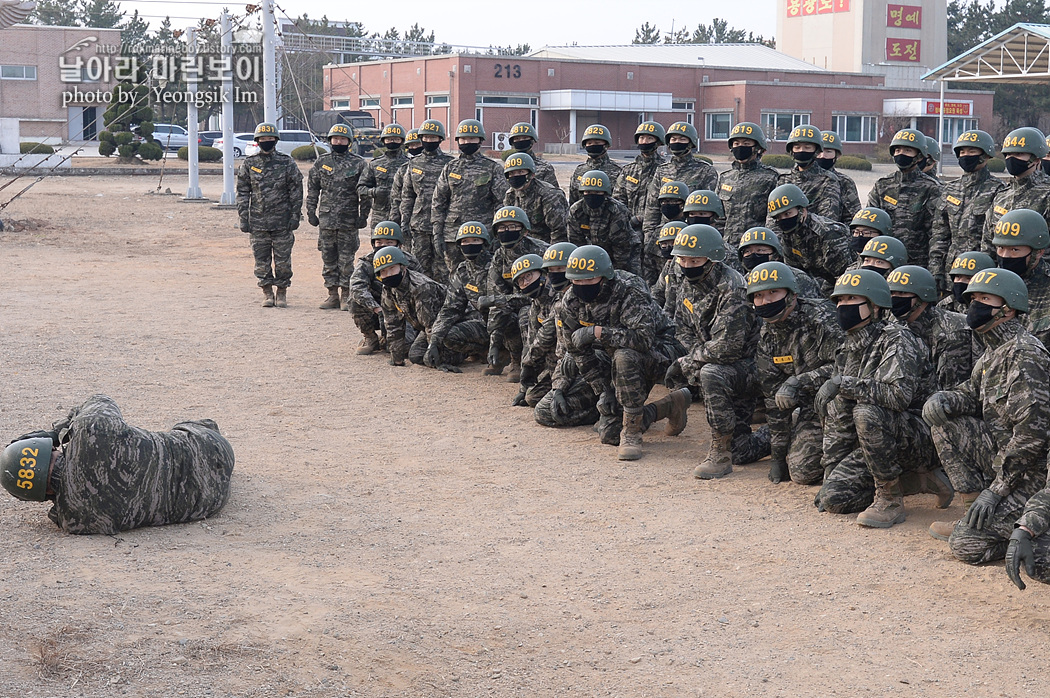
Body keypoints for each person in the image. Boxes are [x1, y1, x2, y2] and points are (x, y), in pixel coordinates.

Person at [922, 268, 1050, 563]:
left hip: (1034, 473)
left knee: (966, 545)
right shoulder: (994, 349)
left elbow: (1031, 438)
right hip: (1006, 459)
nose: (975, 305)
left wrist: (996, 490)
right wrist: (944, 399)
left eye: (985, 298)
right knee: (946, 425)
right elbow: (971, 392)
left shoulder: (1024, 355)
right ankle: (973, 515)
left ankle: (1025, 530)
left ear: (1008, 308)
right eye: (974, 298)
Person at [1, 394, 234, 535]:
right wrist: (58, 431)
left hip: (209, 502)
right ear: (48, 448)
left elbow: (59, 508)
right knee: (189, 427)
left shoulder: (73, 521)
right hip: (211, 447)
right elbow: (100, 400)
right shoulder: (91, 429)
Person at [815, 269, 937, 528]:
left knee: (867, 411)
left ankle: (890, 498)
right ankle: (913, 481)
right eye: (840, 300)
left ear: (874, 306)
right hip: (873, 443)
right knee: (833, 499)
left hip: (914, 435)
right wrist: (832, 471)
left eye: (852, 299)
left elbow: (897, 396)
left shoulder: (897, 339)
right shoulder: (846, 344)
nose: (843, 306)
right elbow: (839, 412)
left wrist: (843, 383)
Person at [554, 245, 685, 460]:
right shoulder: (570, 301)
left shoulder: (629, 290)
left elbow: (642, 339)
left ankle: (632, 432)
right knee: (609, 434)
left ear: (604, 277)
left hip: (660, 351)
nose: (582, 286)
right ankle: (668, 406)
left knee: (625, 355)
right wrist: (602, 390)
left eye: (589, 280)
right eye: (577, 281)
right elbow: (577, 352)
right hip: (611, 355)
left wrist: (597, 332)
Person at [663, 224, 767, 478]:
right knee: (742, 451)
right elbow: (682, 327)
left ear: (711, 260)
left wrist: (690, 362)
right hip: (714, 361)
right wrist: (693, 358)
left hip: (749, 368)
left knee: (711, 372)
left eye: (695, 260)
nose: (687, 265)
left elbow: (727, 349)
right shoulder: (687, 281)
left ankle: (720, 453)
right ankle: (777, 430)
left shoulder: (733, 287)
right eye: (683, 259)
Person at [748, 261, 843, 484]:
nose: (766, 301)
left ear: (791, 295)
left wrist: (798, 381)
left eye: (774, 292)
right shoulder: (766, 335)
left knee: (806, 472)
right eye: (759, 295)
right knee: (802, 472)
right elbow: (774, 400)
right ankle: (794, 429)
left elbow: (846, 366)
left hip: (839, 403)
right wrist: (778, 457)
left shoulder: (822, 318)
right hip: (810, 408)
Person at [528, 242, 604, 428]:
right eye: (551, 270)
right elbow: (565, 350)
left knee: (544, 408)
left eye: (561, 268)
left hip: (604, 366)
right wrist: (559, 386)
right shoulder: (564, 303)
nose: (555, 274)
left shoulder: (606, 296)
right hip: (577, 366)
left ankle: (610, 409)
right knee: (539, 402)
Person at [236, 122, 303, 308]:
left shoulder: (286, 162)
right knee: (261, 260)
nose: (267, 141)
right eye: (263, 139)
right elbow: (242, 192)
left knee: (283, 261)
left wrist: (295, 215)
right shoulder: (250, 164)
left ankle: (281, 292)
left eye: (270, 138)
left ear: (275, 140)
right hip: (258, 222)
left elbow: (296, 190)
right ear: (257, 141)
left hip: (283, 221)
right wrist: (243, 217)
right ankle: (267, 292)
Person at [928, 130, 1003, 294]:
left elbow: (995, 238)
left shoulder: (998, 191)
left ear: (985, 155)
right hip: (952, 273)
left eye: (972, 151)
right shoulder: (950, 189)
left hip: (982, 274)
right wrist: (935, 269)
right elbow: (940, 233)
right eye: (962, 152)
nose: (966, 155)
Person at [432, 119, 508, 276]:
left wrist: (496, 234)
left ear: (480, 141)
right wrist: (437, 233)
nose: (467, 142)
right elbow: (439, 202)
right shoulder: (450, 168)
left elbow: (502, 203)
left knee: (485, 275)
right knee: (455, 278)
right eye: (463, 139)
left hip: (482, 235)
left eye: (472, 139)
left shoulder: (492, 168)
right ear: (458, 141)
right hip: (453, 236)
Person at [306, 123, 366, 310]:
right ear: (330, 140)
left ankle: (346, 295)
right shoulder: (322, 162)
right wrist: (311, 211)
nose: (338, 142)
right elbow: (313, 188)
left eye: (342, 139)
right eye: (335, 139)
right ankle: (332, 294)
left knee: (346, 260)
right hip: (326, 220)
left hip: (348, 220)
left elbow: (364, 192)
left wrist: (363, 215)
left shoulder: (359, 163)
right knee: (328, 258)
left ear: (349, 141)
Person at [484, 206, 549, 380]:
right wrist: (494, 342)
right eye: (502, 228)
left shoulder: (542, 252)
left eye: (512, 227)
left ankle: (531, 364)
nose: (507, 232)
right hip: (513, 303)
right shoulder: (498, 258)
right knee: (498, 311)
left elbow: (544, 292)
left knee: (525, 314)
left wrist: (505, 300)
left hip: (540, 304)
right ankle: (512, 358)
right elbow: (498, 297)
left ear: (524, 230)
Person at [887, 265, 973, 391]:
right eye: (891, 293)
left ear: (923, 296)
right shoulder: (895, 323)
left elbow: (950, 390)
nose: (895, 298)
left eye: (902, 293)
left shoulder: (951, 332)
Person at [866, 128, 941, 268]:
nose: (901, 154)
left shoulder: (931, 188)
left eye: (907, 150)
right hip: (881, 261)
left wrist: (934, 268)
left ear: (919, 156)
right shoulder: (882, 185)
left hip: (916, 264)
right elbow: (870, 223)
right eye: (897, 150)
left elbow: (937, 233)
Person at [348, 222, 424, 355]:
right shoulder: (367, 262)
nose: (383, 246)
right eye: (379, 242)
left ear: (399, 245)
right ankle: (370, 338)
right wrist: (377, 309)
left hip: (404, 310)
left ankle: (391, 338)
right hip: (377, 310)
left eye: (389, 242)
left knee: (403, 350)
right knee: (354, 300)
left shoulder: (410, 261)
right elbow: (356, 287)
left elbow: (421, 289)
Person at [426, 222, 494, 370]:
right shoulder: (462, 271)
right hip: (483, 325)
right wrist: (434, 341)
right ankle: (484, 351)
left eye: (475, 240)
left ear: (485, 242)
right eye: (465, 241)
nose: (469, 245)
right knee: (448, 335)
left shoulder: (497, 265)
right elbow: (450, 309)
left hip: (506, 324)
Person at [374, 244, 454, 368]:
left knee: (437, 356)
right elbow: (393, 324)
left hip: (454, 323)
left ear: (403, 267)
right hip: (431, 328)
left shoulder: (421, 287)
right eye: (383, 271)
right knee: (416, 355)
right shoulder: (388, 289)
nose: (388, 274)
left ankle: (476, 349)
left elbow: (430, 324)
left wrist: (438, 358)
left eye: (392, 268)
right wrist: (397, 359)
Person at [642, 121, 718, 246]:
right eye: (673, 139)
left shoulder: (705, 170)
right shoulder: (662, 170)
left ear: (691, 143)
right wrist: (649, 236)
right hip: (665, 234)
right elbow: (652, 207)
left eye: (682, 139)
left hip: (692, 234)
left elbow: (710, 208)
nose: (677, 142)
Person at [767, 183, 855, 287]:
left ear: (803, 210)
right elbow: (794, 274)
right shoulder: (788, 235)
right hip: (813, 286)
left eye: (787, 214)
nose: (783, 220)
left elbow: (844, 277)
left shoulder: (828, 233)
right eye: (778, 217)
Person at [400, 119, 453, 282]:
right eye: (426, 138)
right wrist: (404, 221)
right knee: (419, 269)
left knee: (443, 269)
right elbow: (407, 196)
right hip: (419, 225)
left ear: (440, 139)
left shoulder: (450, 163)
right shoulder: (413, 163)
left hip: (444, 226)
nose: (429, 141)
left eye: (433, 138)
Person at [718, 121, 779, 263]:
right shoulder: (725, 178)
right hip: (728, 250)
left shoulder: (771, 178)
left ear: (757, 148)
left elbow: (774, 220)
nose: (740, 147)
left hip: (757, 251)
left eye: (746, 144)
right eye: (737, 143)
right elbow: (719, 218)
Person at [982, 127, 1050, 254]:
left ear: (1036, 159)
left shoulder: (1047, 194)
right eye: (1008, 154)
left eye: (1019, 154)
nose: (1011, 159)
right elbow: (988, 243)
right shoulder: (1001, 196)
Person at [991, 208, 1050, 350]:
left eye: (1014, 250)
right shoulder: (989, 285)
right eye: (1000, 248)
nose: (1005, 256)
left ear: (1038, 252)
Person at [567, 170, 640, 275]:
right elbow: (576, 244)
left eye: (597, 192)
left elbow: (621, 249)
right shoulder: (576, 211)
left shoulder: (617, 211)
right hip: (593, 253)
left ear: (605, 193)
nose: (592, 195)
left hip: (625, 254)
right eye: (588, 192)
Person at [775, 125, 842, 222]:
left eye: (807, 147)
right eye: (797, 147)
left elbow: (827, 219)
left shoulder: (828, 180)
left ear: (816, 151)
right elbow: (773, 216)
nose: (801, 151)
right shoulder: (783, 179)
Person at [737, 226, 823, 299]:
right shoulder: (743, 283)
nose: (753, 255)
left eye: (761, 250)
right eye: (747, 251)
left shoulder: (797, 278)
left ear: (776, 254)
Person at [614, 121, 668, 234]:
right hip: (629, 229)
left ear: (658, 142)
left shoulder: (665, 170)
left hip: (656, 229)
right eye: (642, 138)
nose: (645, 142)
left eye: (649, 138)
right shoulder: (628, 170)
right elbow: (618, 201)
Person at [502, 152, 568, 243]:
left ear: (531, 174)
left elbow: (559, 233)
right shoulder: (510, 195)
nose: (516, 176)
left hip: (545, 247)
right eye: (512, 173)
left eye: (521, 172)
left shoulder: (550, 195)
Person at [359, 123, 409, 230]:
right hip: (380, 216)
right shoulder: (375, 164)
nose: (392, 142)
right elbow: (361, 189)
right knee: (380, 246)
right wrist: (374, 192)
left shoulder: (410, 164)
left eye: (396, 139)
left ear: (402, 141)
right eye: (389, 139)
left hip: (403, 216)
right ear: (383, 141)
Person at [568, 124, 622, 206]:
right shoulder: (579, 171)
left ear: (606, 145)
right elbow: (573, 200)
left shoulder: (618, 171)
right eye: (589, 143)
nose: (593, 145)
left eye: (597, 143)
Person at [815, 130, 862, 224]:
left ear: (837, 155)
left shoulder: (844, 182)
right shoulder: (798, 179)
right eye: (819, 152)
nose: (823, 156)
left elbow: (854, 217)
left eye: (828, 152)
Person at [387, 128, 422, 227]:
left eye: (417, 144)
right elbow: (396, 198)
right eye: (410, 145)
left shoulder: (445, 165)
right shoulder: (404, 169)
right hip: (410, 220)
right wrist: (394, 223)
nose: (414, 148)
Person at [507, 122, 559, 188]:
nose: (521, 141)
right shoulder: (508, 166)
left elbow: (553, 193)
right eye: (517, 138)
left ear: (532, 140)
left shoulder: (545, 167)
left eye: (525, 138)